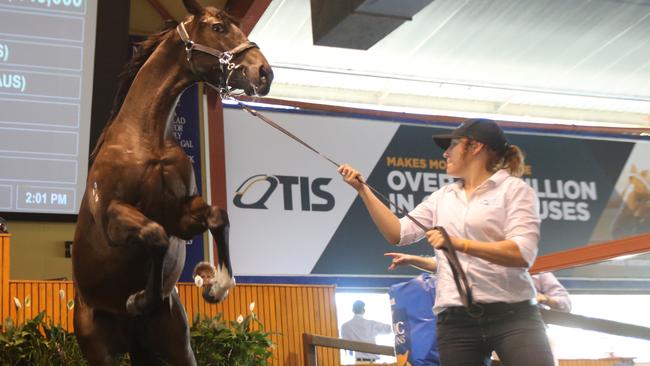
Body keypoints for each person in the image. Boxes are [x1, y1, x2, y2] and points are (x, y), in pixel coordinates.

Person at [339, 118, 555, 366]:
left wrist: (458, 244)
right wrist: (362, 190)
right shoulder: (441, 198)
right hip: (455, 321)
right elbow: (397, 233)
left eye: (452, 145)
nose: (445, 153)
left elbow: (522, 252)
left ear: (475, 147)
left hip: (513, 315)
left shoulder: (514, 190)